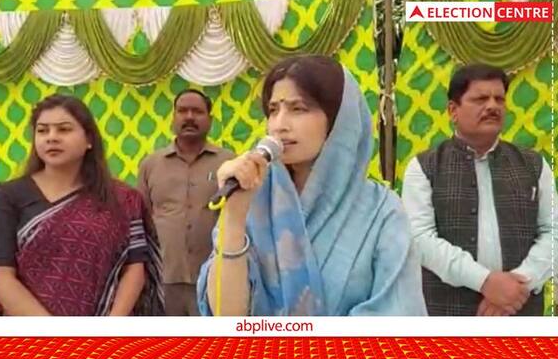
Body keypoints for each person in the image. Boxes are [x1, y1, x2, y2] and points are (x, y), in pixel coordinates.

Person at [197, 55, 427, 316]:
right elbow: (226, 316)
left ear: (339, 120)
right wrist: (234, 218)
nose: (279, 125)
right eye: (273, 110)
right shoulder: (253, 199)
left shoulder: (382, 212)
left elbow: (397, 317)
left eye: (298, 109)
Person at [402, 64, 555, 316]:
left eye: (499, 99)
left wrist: (517, 286)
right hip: (446, 314)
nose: (493, 106)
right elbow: (419, 239)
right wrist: (485, 281)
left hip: (520, 312)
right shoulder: (424, 166)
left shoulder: (533, 164)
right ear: (453, 110)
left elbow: (553, 231)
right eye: (481, 99)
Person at [0, 94, 163, 316]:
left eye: (64, 129)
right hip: (29, 332)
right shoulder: (9, 196)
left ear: (89, 139)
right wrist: (54, 331)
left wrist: (111, 327)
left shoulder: (122, 199)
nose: (51, 138)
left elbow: (134, 268)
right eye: (42, 131)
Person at [138, 89, 234, 316]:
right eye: (182, 111)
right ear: (173, 117)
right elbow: (141, 220)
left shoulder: (228, 163)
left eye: (197, 111)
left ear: (210, 119)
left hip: (215, 277)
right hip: (164, 278)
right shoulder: (151, 165)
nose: (189, 117)